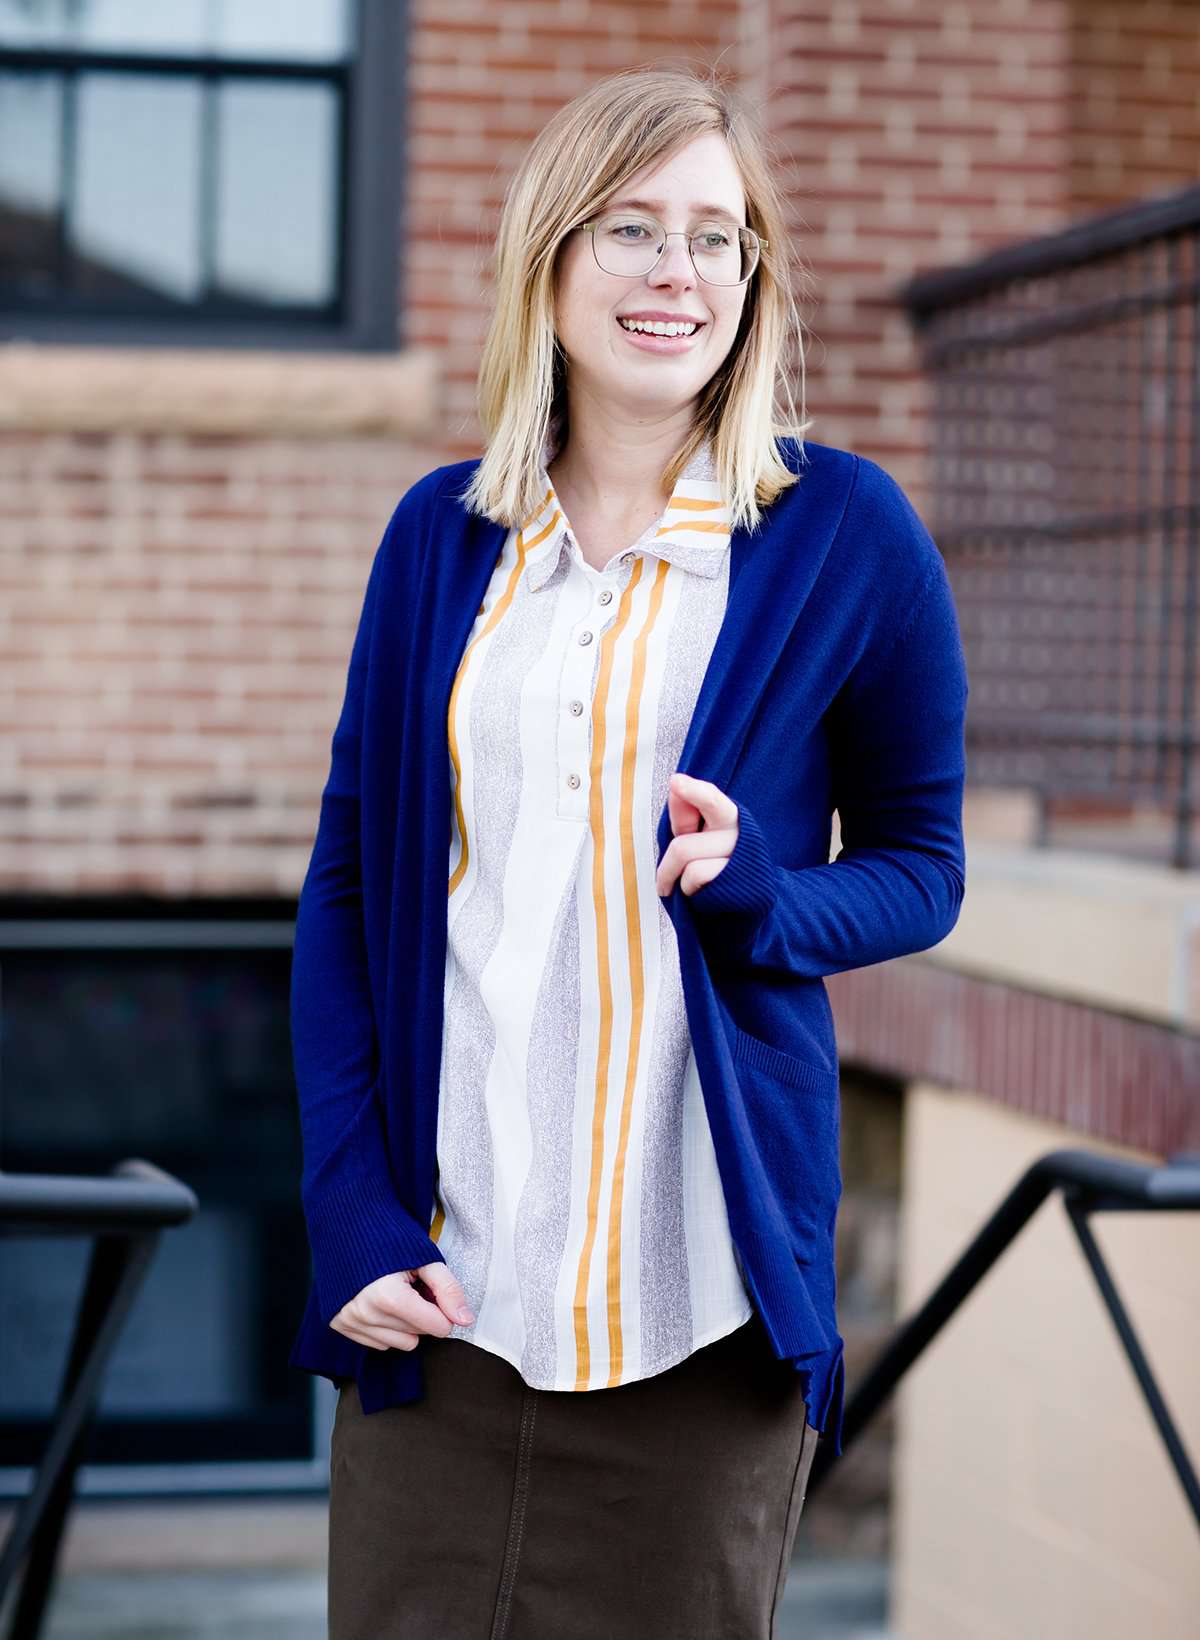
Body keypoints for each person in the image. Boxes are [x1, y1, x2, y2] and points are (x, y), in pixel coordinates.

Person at [288, 62, 969, 1640]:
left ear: (754, 279)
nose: (679, 275)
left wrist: (765, 899)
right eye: (633, 231)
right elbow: (348, 894)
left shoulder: (843, 533)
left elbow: (925, 867)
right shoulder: (441, 538)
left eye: (717, 240)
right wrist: (346, 1207)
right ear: (551, 259)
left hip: (701, 1330)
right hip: (442, 1317)